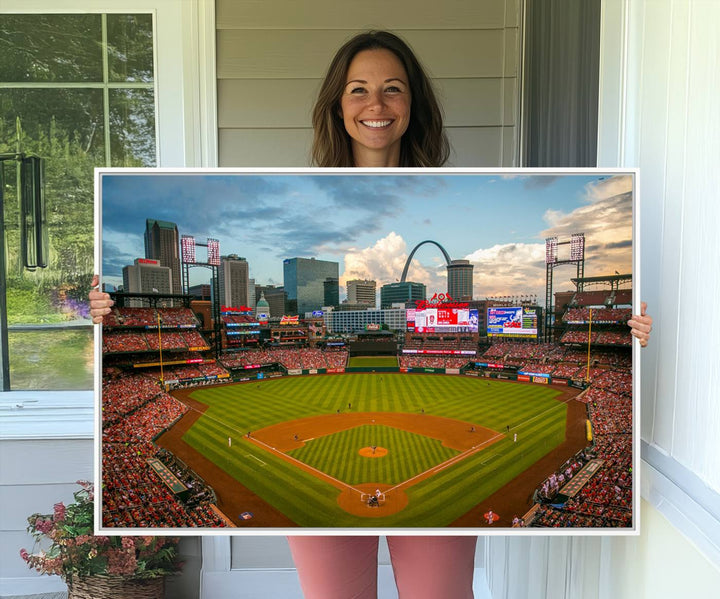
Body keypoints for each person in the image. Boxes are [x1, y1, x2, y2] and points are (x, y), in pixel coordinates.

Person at [89, 29, 654, 599]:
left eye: (393, 89)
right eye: (358, 89)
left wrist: (626, 330)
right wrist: (99, 312)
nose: (376, 105)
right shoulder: (302, 182)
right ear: (338, 104)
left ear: (414, 104)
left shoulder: (459, 183)